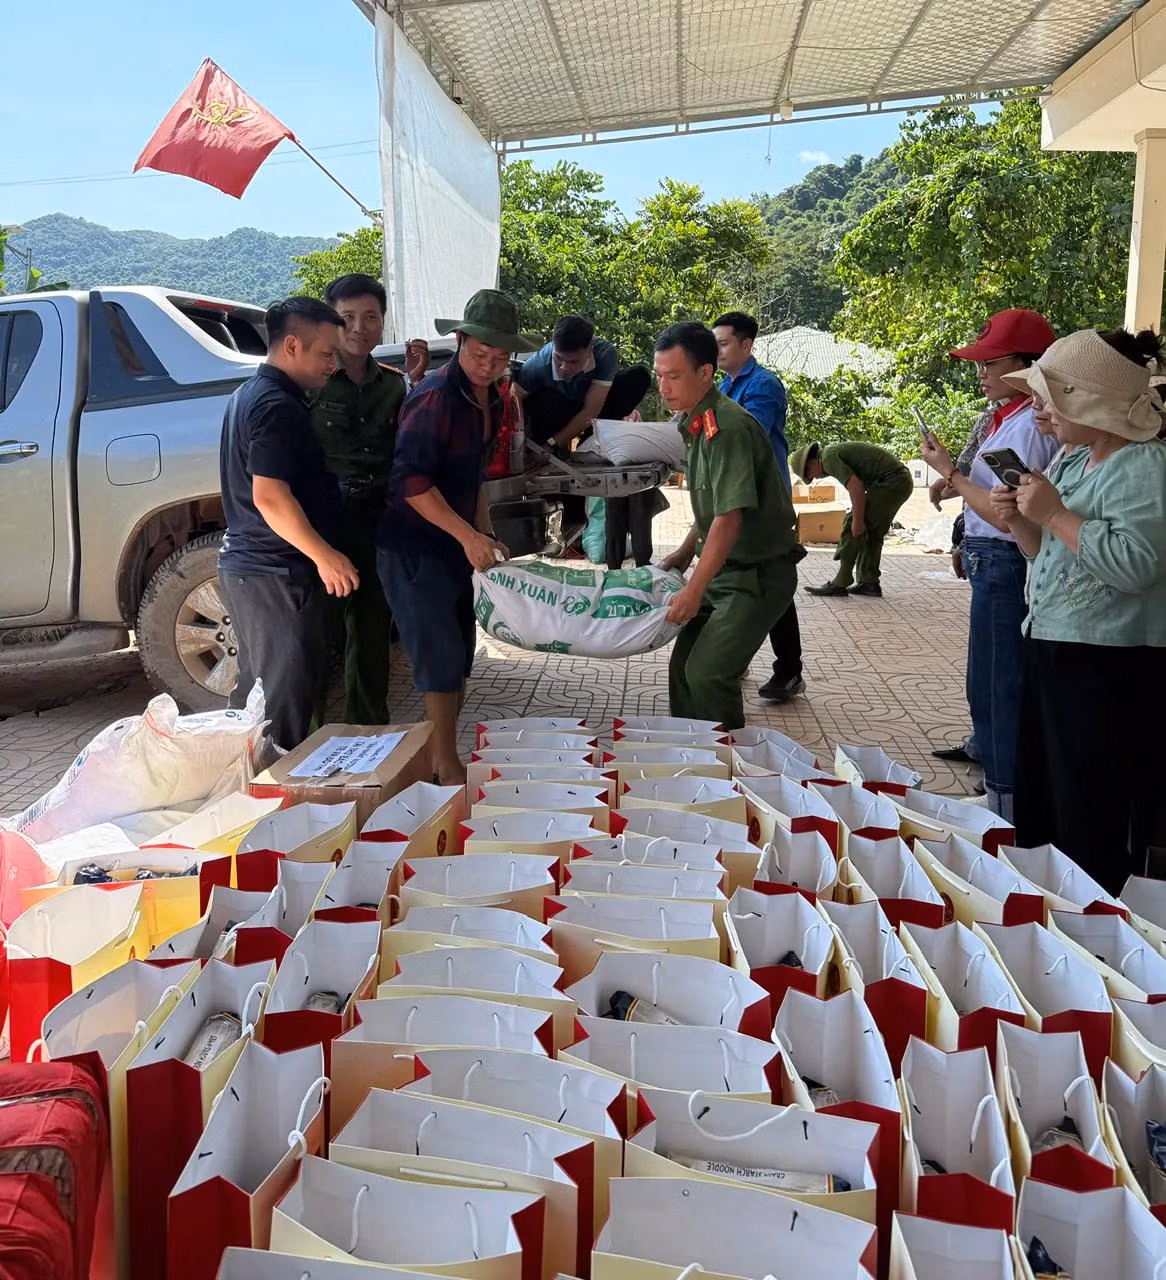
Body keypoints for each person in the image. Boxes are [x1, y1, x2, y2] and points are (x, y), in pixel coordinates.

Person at [988, 327, 1166, 893]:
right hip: (1055, 645)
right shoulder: (1073, 461)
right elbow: (1047, 553)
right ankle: (1048, 908)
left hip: (1108, 661)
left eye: (1051, 395)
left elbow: (1137, 565)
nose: (1040, 407)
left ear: (1091, 401)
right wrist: (1022, 520)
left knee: (1091, 806)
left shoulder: (1143, 465)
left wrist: (1054, 514)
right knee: (1046, 796)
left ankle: (1095, 916)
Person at [377, 290, 541, 784]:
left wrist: (484, 533)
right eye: (479, 354)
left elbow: (475, 477)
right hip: (412, 546)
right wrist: (468, 535)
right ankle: (445, 769)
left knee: (459, 653)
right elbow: (410, 483)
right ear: (459, 340)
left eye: (499, 358)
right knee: (438, 658)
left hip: (452, 545)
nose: (487, 366)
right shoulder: (434, 397)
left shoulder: (491, 397)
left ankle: (440, 758)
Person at [921, 308, 1058, 818]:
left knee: (1001, 683)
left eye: (990, 362)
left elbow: (1007, 515)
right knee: (986, 681)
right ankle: (1000, 788)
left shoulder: (1030, 428)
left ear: (1026, 367)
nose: (980, 372)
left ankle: (1007, 803)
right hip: (991, 557)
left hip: (1006, 558)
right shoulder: (1007, 418)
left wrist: (950, 474)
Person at [218, 297, 358, 751]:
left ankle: (249, 785)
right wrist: (325, 556)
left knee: (258, 701)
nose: (333, 365)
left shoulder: (249, 394)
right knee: (281, 712)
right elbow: (270, 496)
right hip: (274, 573)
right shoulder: (276, 406)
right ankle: (270, 792)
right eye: (327, 354)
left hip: (256, 572)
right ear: (292, 345)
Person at [656, 322, 800, 730]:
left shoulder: (728, 428)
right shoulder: (697, 423)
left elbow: (729, 517)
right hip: (725, 571)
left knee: (708, 675)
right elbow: (715, 506)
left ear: (705, 373)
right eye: (659, 376)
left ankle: (724, 763)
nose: (664, 387)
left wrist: (693, 590)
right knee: (682, 670)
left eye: (673, 376)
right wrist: (685, 553)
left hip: (756, 576)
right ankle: (692, 754)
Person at [310, 273, 429, 725]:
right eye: (347, 318)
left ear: (383, 322)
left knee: (372, 629)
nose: (360, 328)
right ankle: (306, 739)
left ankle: (369, 732)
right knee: (317, 634)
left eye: (371, 317)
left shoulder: (394, 385)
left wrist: (416, 382)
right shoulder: (312, 382)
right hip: (324, 523)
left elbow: (405, 446)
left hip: (377, 521)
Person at [713, 310, 805, 705]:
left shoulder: (764, 385)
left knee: (771, 580)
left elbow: (748, 437)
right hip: (735, 495)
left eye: (723, 343)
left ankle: (789, 670)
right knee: (735, 576)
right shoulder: (724, 385)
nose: (716, 351)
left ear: (746, 345)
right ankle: (736, 657)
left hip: (766, 502)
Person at [517, 315, 656, 569]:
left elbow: (591, 409)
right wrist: (537, 446)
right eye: (558, 359)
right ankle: (564, 526)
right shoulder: (537, 366)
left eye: (572, 361)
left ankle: (596, 441)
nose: (563, 367)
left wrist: (557, 442)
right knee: (541, 403)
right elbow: (514, 401)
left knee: (638, 376)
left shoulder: (605, 355)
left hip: (590, 414)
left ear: (589, 350)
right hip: (553, 413)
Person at [791, 441, 913, 597]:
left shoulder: (828, 458)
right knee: (872, 530)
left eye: (808, 473)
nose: (813, 477)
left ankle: (841, 581)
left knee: (853, 522)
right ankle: (868, 583)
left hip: (893, 481)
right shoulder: (830, 454)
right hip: (900, 480)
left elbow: (856, 488)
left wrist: (857, 521)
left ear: (812, 461)